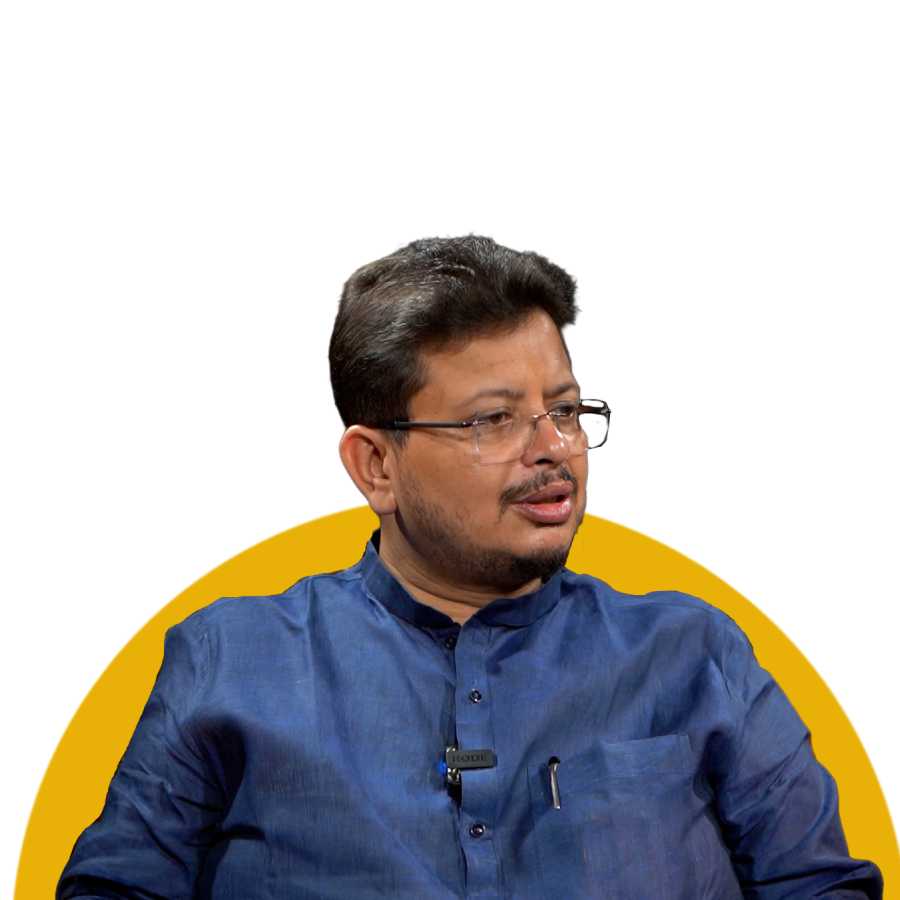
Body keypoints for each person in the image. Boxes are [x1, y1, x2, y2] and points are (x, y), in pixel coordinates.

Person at [58, 236, 883, 898]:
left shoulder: (695, 653)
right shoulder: (232, 660)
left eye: (565, 409)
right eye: (494, 420)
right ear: (376, 465)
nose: (553, 448)